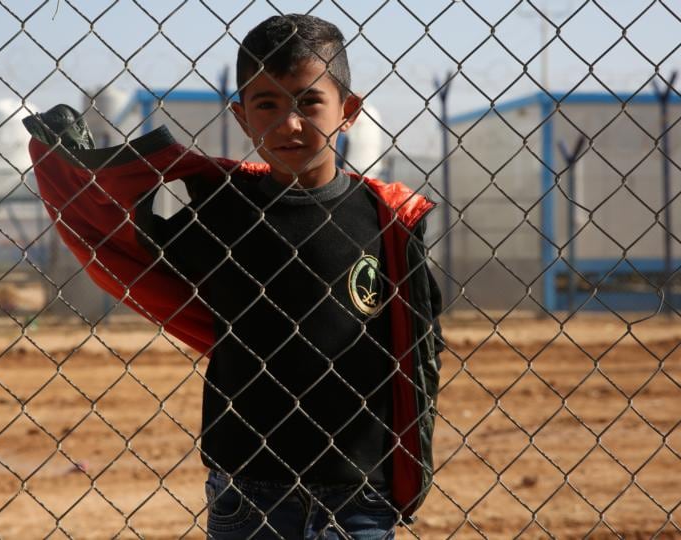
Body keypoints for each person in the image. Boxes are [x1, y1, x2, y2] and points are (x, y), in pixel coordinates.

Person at [23, 13, 443, 539]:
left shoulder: (383, 221)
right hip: (249, 490)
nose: (289, 123)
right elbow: (127, 243)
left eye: (309, 101)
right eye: (267, 104)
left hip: (359, 492)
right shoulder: (221, 208)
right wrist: (81, 175)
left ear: (348, 111)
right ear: (242, 117)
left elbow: (415, 349)